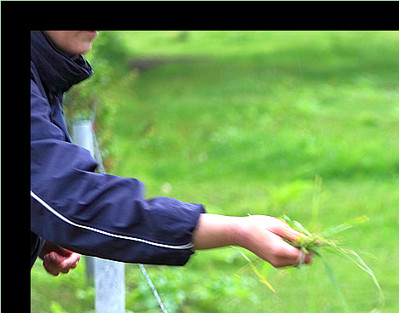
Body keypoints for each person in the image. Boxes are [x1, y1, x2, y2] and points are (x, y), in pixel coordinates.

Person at [31, 30, 311, 276]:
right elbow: (68, 197)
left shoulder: (45, 67)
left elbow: (45, 192)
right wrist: (236, 231)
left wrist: (40, 231)